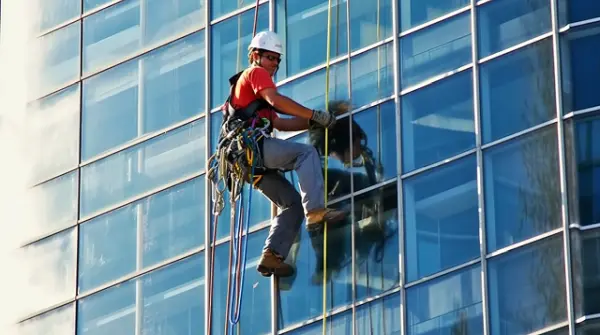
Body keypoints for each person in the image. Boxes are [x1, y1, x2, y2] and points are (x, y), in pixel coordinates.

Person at [219, 30, 347, 278]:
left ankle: (272, 256)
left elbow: (280, 123)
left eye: (278, 60)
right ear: (255, 56)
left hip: (248, 164)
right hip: (252, 149)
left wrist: (314, 123)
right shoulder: (255, 74)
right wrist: (313, 114)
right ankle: (317, 211)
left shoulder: (254, 96)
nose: (275, 64)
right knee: (306, 154)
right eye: (270, 58)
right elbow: (276, 100)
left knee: (291, 205)